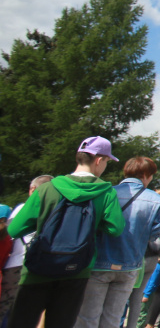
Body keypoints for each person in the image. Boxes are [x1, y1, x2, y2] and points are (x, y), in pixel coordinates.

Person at [7, 137, 125, 328]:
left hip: (37, 269)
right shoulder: (106, 192)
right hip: (77, 270)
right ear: (98, 160)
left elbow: (14, 229)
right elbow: (115, 228)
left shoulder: (47, 188)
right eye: (107, 161)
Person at [75, 157, 160, 328]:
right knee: (113, 318)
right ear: (146, 175)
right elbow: (155, 233)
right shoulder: (155, 199)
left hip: (99, 262)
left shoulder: (107, 191)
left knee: (88, 317)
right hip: (130, 263)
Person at [0, 175, 53, 326]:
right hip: (42, 266)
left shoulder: (23, 208)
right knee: (28, 311)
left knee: (4, 309)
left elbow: (10, 234)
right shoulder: (55, 210)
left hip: (16, 265)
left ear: (33, 189)